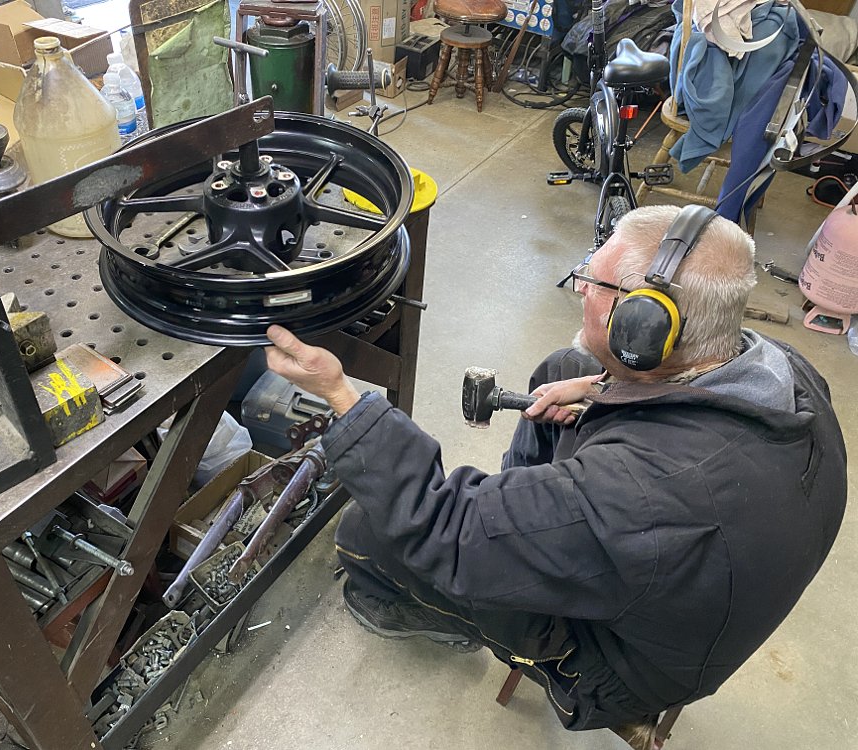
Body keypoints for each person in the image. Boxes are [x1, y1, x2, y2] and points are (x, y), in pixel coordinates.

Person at [262, 205, 847, 749]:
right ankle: (522, 520)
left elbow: (445, 528)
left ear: (643, 327)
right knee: (564, 368)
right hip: (694, 580)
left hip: (618, 666)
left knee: (369, 533)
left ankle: (444, 603)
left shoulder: (641, 495)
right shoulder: (779, 369)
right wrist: (600, 388)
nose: (583, 291)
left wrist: (342, 396)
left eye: (595, 283)